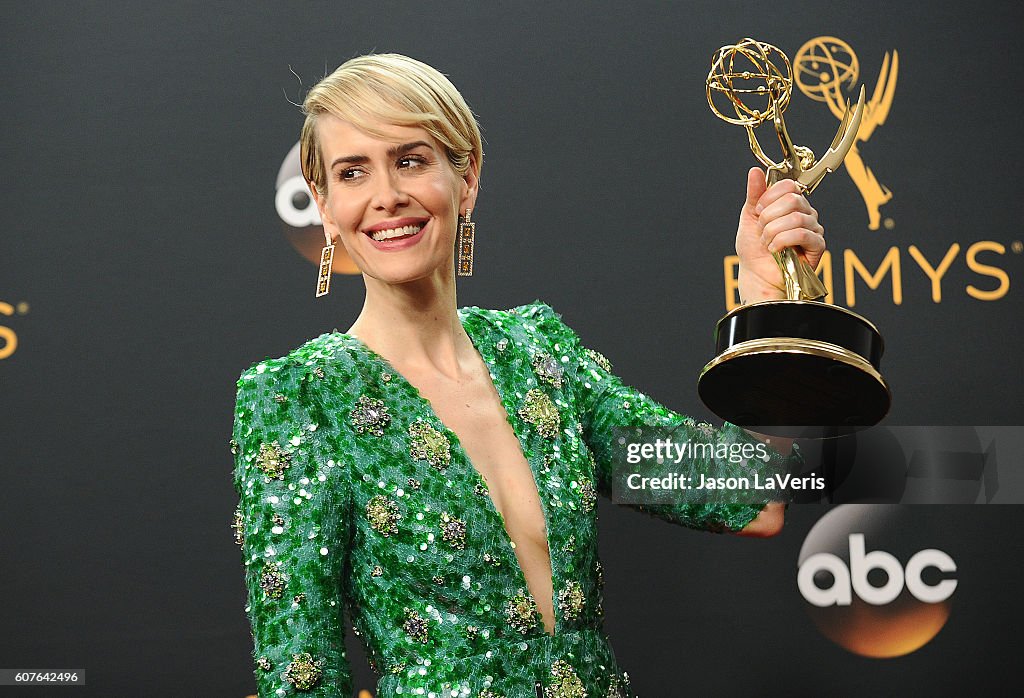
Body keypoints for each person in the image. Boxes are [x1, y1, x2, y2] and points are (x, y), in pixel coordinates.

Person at [230, 53, 825, 698]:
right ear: (323, 203)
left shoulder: (538, 352)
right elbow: (299, 679)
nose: (386, 197)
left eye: (411, 160)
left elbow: (755, 499)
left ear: (467, 177)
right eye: (352, 173)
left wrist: (770, 310)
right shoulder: (296, 399)